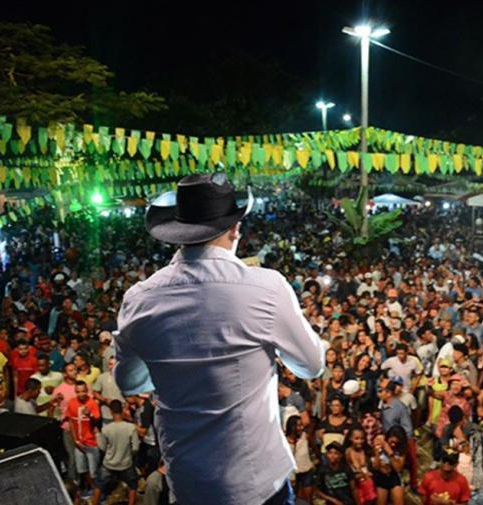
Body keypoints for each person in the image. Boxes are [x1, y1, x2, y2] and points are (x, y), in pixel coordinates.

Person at [115, 174, 327, 505]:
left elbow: (128, 381)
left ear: (177, 231)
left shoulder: (140, 299)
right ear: (235, 229)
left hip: (187, 481)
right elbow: (312, 366)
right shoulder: (266, 288)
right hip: (256, 482)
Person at [91, 400, 140, 505]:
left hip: (109, 464)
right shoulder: (131, 427)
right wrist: (129, 456)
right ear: (122, 411)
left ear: (111, 413)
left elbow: (103, 448)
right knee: (133, 486)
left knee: (98, 485)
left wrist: (97, 435)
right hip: (126, 464)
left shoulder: (106, 429)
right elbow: (136, 447)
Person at [64, 380, 102, 497]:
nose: (81, 394)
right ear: (76, 391)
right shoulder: (72, 403)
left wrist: (89, 414)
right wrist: (75, 440)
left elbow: (97, 420)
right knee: (81, 469)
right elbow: (71, 421)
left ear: (87, 391)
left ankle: (98, 492)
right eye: (79, 392)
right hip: (78, 443)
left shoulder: (92, 403)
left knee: (93, 471)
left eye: (84, 391)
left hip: (91, 442)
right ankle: (87, 489)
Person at [372, 427, 407, 505]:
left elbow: (398, 469)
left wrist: (390, 452)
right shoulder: (379, 441)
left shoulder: (402, 449)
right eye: (391, 442)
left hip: (394, 476)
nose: (393, 444)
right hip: (381, 476)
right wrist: (377, 451)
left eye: (396, 443)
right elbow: (376, 466)